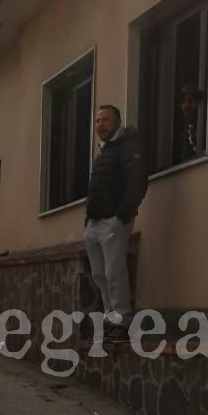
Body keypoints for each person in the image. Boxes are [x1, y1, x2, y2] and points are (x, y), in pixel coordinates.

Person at [83, 104, 148, 343]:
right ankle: (111, 318)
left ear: (117, 121)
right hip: (95, 222)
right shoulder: (106, 152)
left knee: (114, 272)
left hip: (114, 220)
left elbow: (137, 182)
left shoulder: (127, 147)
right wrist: (88, 220)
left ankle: (123, 319)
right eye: (98, 120)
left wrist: (122, 216)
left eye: (105, 120)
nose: (100, 124)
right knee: (100, 274)